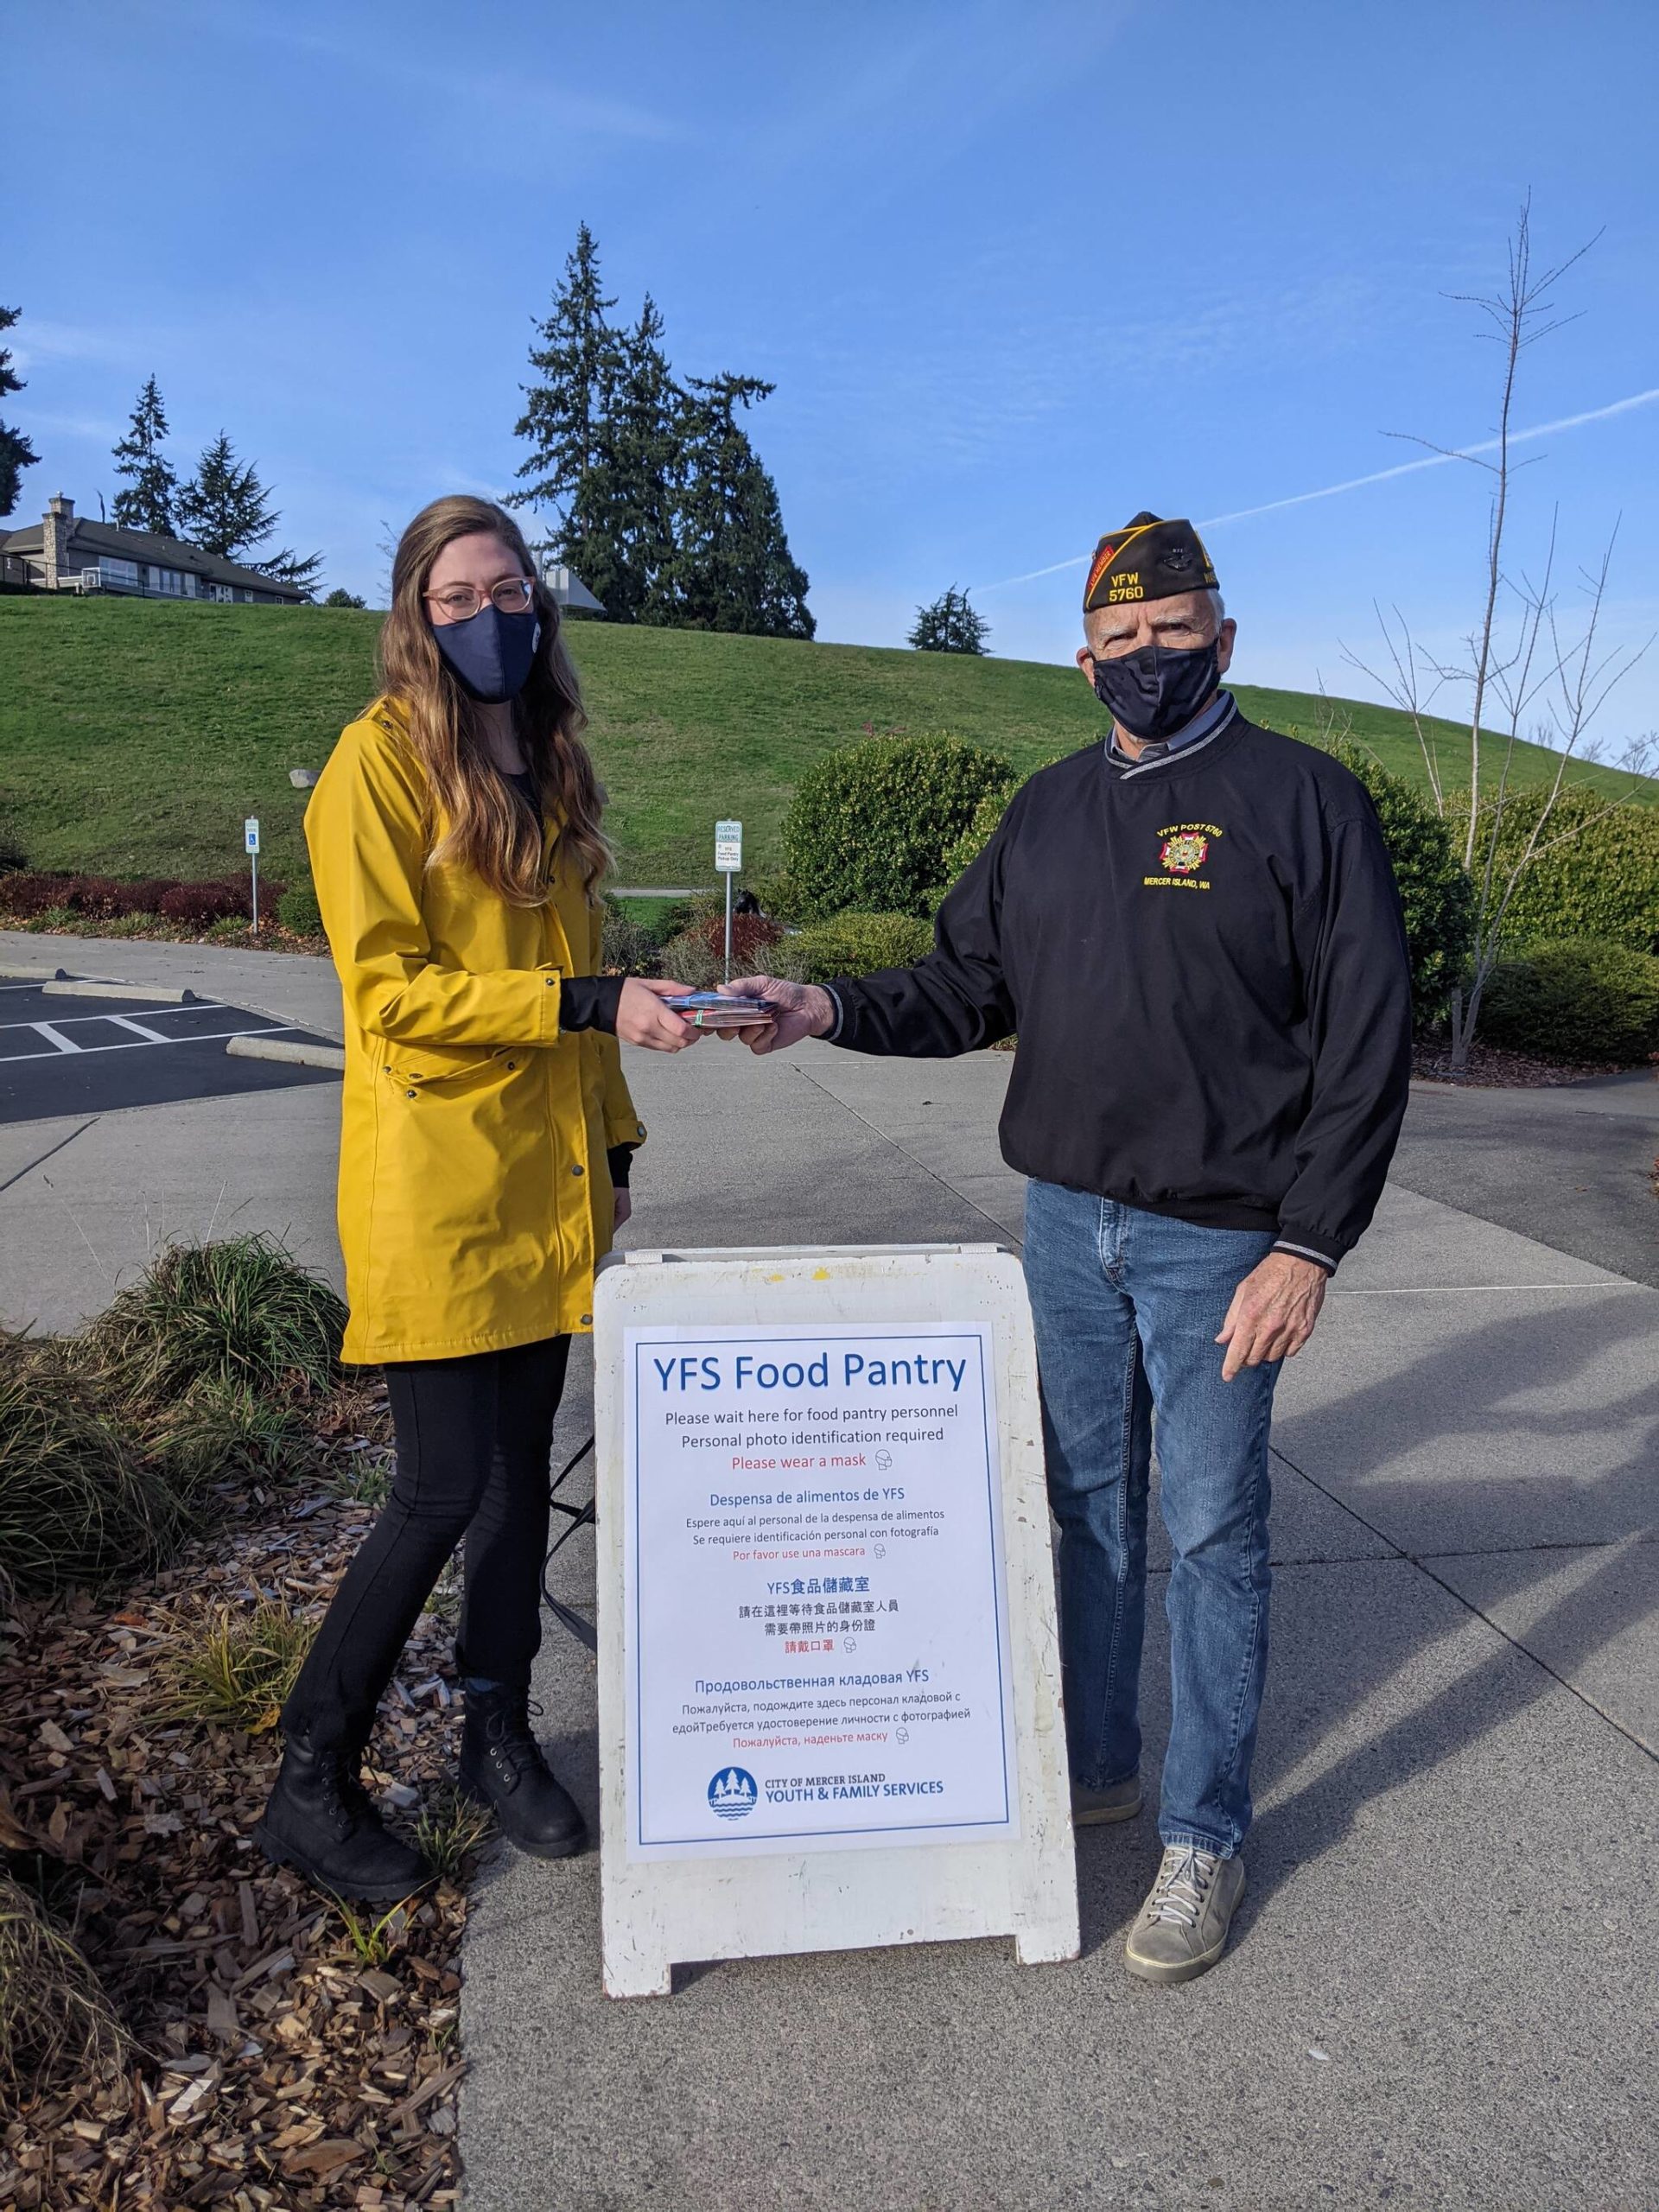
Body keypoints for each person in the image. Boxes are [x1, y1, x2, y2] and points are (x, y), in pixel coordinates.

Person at [726, 513, 1413, 1985]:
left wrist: (1310, 1244)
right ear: (1083, 658)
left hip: (1225, 1242)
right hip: (1062, 1225)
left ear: (1225, 638)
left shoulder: (1305, 802)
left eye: (1176, 633)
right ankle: (1093, 1764)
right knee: (1086, 1507)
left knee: (1215, 1533)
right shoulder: (1044, 813)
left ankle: (1203, 1836)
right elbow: (966, 982)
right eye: (1123, 639)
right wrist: (825, 1007)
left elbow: (1368, 1044)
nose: (1149, 658)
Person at [256, 495, 705, 1903]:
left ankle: (492, 1731)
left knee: (517, 1486)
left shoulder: (546, 761)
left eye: (507, 588)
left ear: (539, 603)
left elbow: (585, 1000)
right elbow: (390, 997)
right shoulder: (374, 769)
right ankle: (309, 1780)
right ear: (413, 613)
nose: (487, 614)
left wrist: (617, 1153)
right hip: (441, 1192)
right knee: (440, 1489)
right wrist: (588, 999)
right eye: (456, 596)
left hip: (550, 1187)